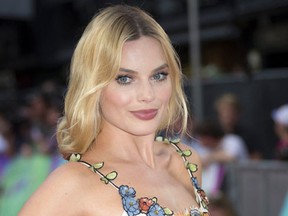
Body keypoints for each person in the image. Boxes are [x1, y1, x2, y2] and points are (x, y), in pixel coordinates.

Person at [19, 5, 209, 216]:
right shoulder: (73, 183)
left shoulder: (185, 160)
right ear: (93, 86)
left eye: (159, 76)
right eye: (125, 79)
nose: (147, 95)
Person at [214, 93, 262, 159]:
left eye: (231, 111)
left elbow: (256, 158)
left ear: (238, 113)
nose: (228, 114)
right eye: (225, 111)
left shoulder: (247, 135)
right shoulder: (213, 133)